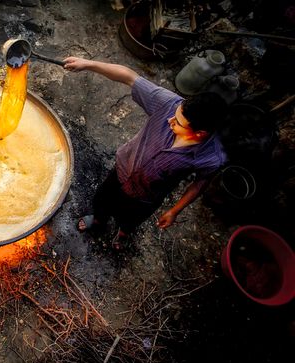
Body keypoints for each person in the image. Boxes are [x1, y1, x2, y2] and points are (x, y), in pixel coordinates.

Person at [62, 56, 227, 250]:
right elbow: (130, 77)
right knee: (102, 201)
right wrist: (89, 64)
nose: (170, 121)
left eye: (178, 123)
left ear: (200, 133)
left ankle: (123, 235)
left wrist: (175, 211)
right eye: (175, 114)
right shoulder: (169, 104)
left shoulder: (212, 158)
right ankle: (98, 221)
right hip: (121, 171)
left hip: (146, 196)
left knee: (131, 220)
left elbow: (199, 184)